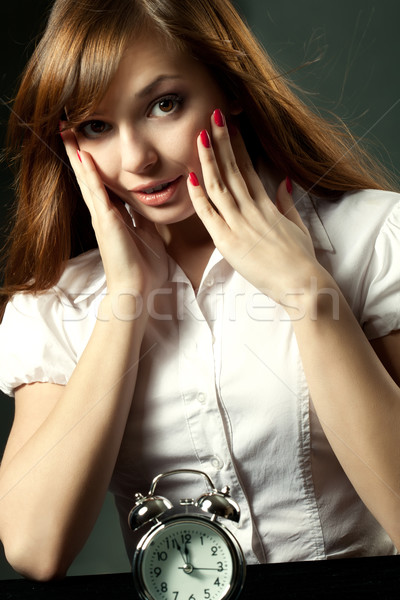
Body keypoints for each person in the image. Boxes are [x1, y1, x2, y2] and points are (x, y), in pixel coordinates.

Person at [0, 0, 399, 582]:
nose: (136, 158)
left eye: (164, 105)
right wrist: (123, 299)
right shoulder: (56, 303)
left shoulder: (374, 238)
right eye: (97, 126)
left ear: (229, 90)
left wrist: (308, 293)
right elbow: (35, 550)